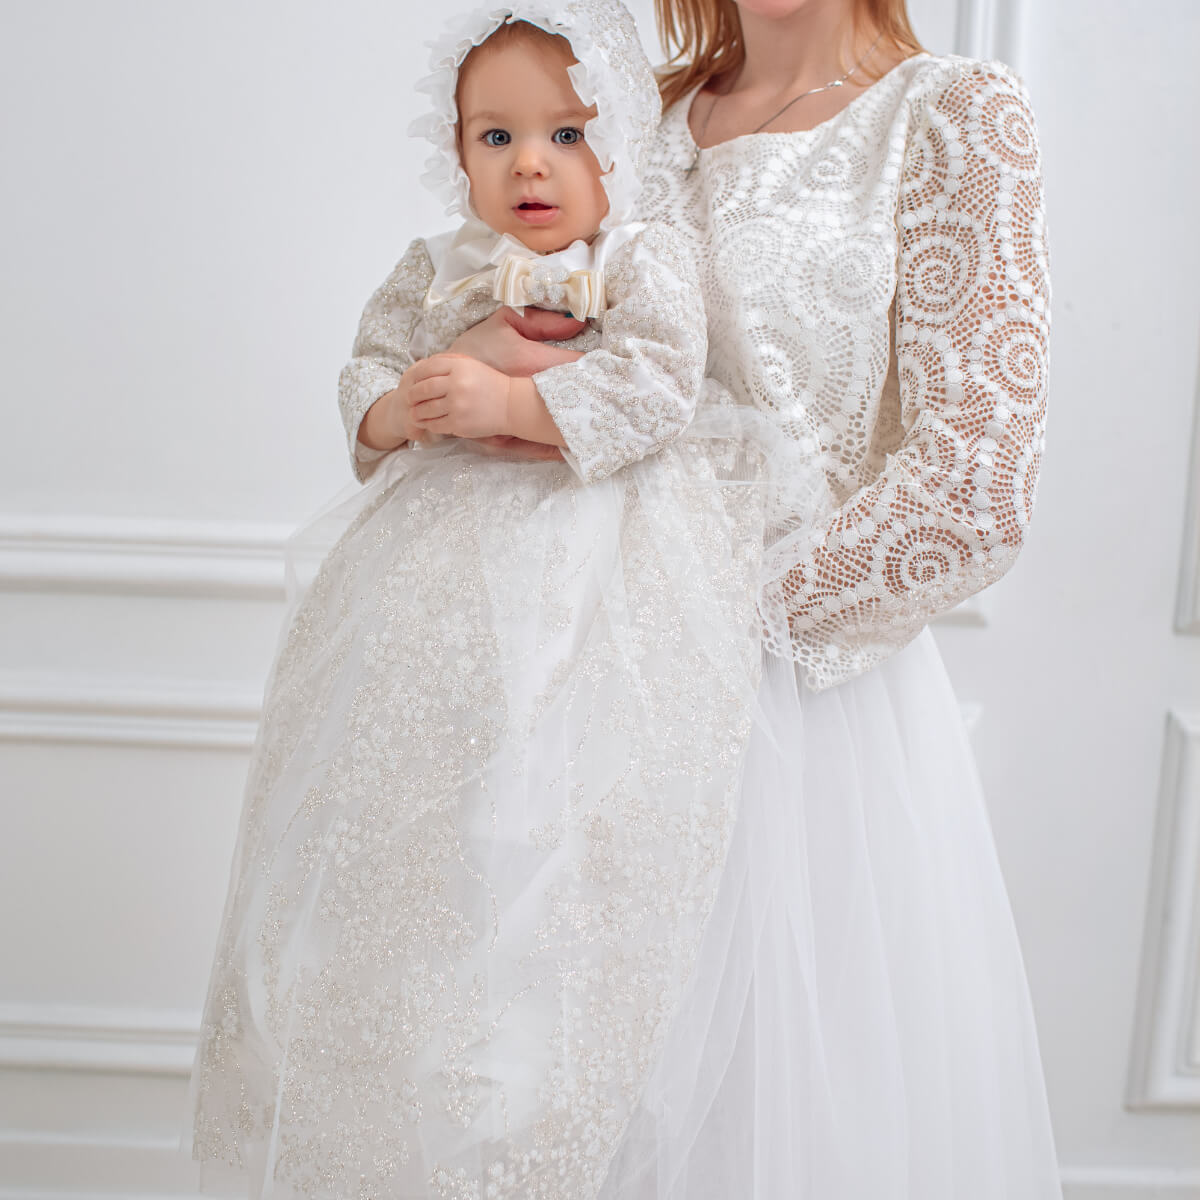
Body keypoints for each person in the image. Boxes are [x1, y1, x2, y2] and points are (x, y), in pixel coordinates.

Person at [184, 3, 827, 1196]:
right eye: (495, 137)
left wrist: (514, 407)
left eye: (568, 133)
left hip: (603, 569)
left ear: (624, 140)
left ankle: (531, 1100)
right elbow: (368, 372)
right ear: (458, 151)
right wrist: (402, 410)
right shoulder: (433, 269)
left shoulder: (647, 261)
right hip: (432, 578)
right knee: (413, 786)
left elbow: (655, 388)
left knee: (560, 808)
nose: (530, 162)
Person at [449, 1, 1064, 1198]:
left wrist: (712, 626)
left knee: (771, 1126)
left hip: (797, 720)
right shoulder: (631, 115)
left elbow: (977, 486)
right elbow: (548, 340)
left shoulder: (954, 117)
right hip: (577, 698)